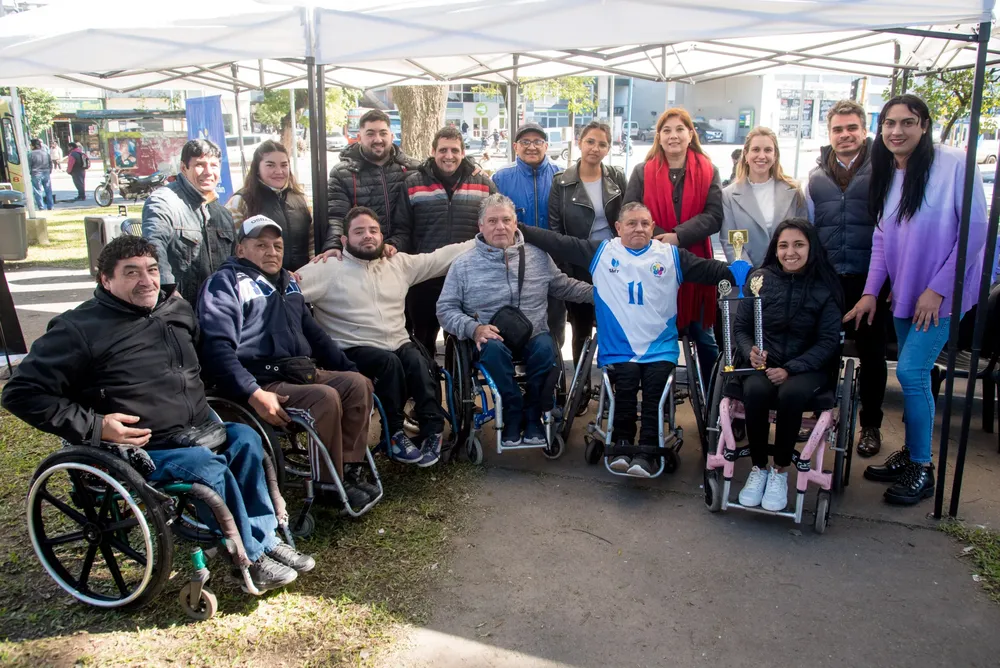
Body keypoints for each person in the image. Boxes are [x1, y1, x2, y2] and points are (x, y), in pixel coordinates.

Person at [0, 235, 314, 592]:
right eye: (131, 273)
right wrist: (98, 426)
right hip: (142, 447)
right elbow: (21, 393)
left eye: (151, 270)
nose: (146, 280)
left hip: (198, 427)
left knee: (245, 438)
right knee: (205, 467)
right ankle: (249, 557)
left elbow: (203, 365)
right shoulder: (77, 330)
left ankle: (265, 538)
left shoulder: (176, 310)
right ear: (105, 280)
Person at [846, 94, 989, 506]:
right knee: (916, 378)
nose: (897, 131)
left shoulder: (955, 164)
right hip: (906, 293)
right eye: (889, 123)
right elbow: (881, 237)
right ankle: (911, 453)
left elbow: (976, 233)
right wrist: (872, 290)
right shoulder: (889, 170)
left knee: (910, 373)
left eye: (907, 122)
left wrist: (939, 289)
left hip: (940, 294)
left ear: (924, 125)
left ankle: (923, 468)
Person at [520, 202, 734, 477]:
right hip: (619, 347)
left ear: (653, 227)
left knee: (655, 389)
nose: (639, 228)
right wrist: (520, 228)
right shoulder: (602, 251)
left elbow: (710, 271)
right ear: (618, 228)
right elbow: (559, 242)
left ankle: (646, 451)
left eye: (645, 223)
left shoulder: (670, 255)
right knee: (626, 384)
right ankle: (621, 445)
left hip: (659, 347)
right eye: (631, 223)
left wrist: (743, 273)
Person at [198, 215, 379, 508]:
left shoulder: (288, 281)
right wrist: (253, 393)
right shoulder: (225, 284)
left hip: (298, 370)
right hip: (259, 379)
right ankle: (327, 484)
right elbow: (217, 349)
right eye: (261, 245)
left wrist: (350, 368)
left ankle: (348, 470)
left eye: (277, 246)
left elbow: (316, 335)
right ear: (241, 249)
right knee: (324, 397)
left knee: (358, 385)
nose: (272, 252)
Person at [298, 206, 474, 467]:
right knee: (388, 364)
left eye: (373, 231)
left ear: (382, 237)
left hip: (396, 341)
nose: (367, 236)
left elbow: (439, 258)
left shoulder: (397, 264)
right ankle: (393, 435)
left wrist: (482, 238)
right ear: (344, 240)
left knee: (419, 362)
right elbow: (284, 287)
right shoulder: (326, 268)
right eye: (359, 232)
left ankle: (432, 430)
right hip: (351, 348)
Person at [436, 194, 592, 447]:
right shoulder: (463, 265)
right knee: (494, 348)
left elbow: (563, 286)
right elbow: (445, 308)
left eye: (506, 220)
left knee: (546, 349)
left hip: (532, 333)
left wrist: (602, 294)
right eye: (493, 221)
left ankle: (532, 416)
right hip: (489, 338)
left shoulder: (537, 256)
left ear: (516, 222)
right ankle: (512, 411)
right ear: (481, 226)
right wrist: (473, 328)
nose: (501, 227)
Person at [733, 219, 844, 511]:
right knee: (755, 391)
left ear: (811, 248)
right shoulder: (760, 279)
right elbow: (741, 327)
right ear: (775, 249)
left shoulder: (825, 287)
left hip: (808, 367)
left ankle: (780, 470)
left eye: (798, 245)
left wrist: (791, 369)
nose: (790, 252)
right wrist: (750, 351)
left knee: (791, 394)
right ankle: (759, 468)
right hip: (765, 364)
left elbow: (828, 341)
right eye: (783, 245)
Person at [805, 99, 888, 458]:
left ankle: (870, 426)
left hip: (871, 279)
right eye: (838, 129)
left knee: (872, 355)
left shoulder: (883, 170)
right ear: (829, 134)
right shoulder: (815, 178)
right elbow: (810, 229)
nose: (845, 135)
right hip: (828, 280)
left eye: (851, 127)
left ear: (864, 130)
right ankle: (820, 417)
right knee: (825, 350)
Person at [624, 107, 724, 386]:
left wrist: (677, 237)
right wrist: (657, 237)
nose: (673, 136)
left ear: (691, 134)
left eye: (680, 129)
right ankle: (657, 397)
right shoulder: (642, 171)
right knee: (655, 338)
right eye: (666, 130)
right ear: (659, 136)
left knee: (705, 338)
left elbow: (714, 216)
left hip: (696, 265)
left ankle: (713, 402)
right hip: (652, 264)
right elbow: (630, 211)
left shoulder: (709, 170)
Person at [395, 126, 497, 355]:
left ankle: (458, 390)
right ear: (433, 151)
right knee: (423, 339)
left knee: (462, 342)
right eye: (443, 150)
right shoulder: (412, 184)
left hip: (468, 279)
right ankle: (427, 388)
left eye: (454, 150)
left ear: (463, 152)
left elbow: (494, 227)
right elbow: (403, 229)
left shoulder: (482, 183)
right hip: (425, 278)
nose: (448, 156)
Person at [548, 120, 627, 368]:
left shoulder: (617, 177)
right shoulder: (561, 182)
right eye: (590, 142)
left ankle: (613, 383)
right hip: (579, 263)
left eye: (602, 144)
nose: (595, 148)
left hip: (613, 263)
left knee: (613, 325)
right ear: (579, 143)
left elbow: (627, 218)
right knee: (581, 328)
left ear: (608, 148)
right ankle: (580, 388)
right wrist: (566, 269)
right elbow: (555, 230)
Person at [493, 122, 566, 348]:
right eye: (525, 142)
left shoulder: (562, 176)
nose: (531, 147)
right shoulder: (501, 178)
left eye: (537, 142)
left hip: (554, 260)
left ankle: (552, 367)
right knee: (515, 318)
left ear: (546, 145)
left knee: (554, 322)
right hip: (513, 263)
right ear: (515, 146)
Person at [316, 110, 421, 260]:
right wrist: (333, 245)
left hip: (402, 256)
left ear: (391, 136)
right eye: (370, 134)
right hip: (360, 259)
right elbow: (336, 217)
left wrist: (395, 244)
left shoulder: (412, 169)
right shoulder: (342, 173)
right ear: (359, 137)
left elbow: (418, 218)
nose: (377, 139)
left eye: (383, 133)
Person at [142, 139, 235, 306]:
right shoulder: (163, 202)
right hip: (180, 309)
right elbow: (153, 249)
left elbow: (237, 260)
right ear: (184, 168)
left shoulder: (222, 213)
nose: (208, 172)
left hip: (220, 311)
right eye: (200, 164)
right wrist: (170, 294)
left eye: (214, 165)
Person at [720, 127, 808, 266]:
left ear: (775, 155)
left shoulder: (793, 191)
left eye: (767, 150)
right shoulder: (729, 196)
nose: (762, 156)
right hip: (750, 278)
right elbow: (731, 244)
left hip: (789, 275)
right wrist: (752, 276)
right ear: (746, 155)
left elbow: (804, 236)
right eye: (756, 150)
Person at [225, 140, 313, 271]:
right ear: (257, 169)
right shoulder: (241, 201)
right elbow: (234, 249)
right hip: (260, 282)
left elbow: (313, 243)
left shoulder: (303, 199)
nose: (279, 171)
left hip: (303, 280)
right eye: (270, 165)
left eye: (284, 165)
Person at [28, 138, 54, 211]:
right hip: (46, 172)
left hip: (36, 173)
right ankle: (50, 206)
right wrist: (49, 171)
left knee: (37, 190)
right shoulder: (46, 153)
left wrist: (30, 173)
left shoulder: (30, 154)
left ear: (33, 146)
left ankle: (41, 206)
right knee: (48, 190)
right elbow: (50, 163)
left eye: (30, 145)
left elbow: (29, 165)